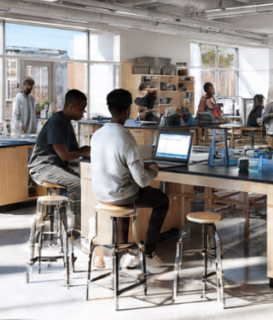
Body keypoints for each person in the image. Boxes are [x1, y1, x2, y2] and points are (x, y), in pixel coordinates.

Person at [90, 89, 170, 272]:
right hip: (121, 195)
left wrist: (141, 164)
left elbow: (117, 164)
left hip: (101, 194)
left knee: (126, 198)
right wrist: (154, 170)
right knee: (162, 201)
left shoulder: (97, 134)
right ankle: (149, 254)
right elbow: (142, 181)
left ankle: (126, 254)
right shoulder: (126, 137)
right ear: (128, 110)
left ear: (110, 108)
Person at [28, 89, 91, 231]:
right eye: (82, 109)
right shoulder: (57, 121)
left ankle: (82, 222)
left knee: (84, 181)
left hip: (54, 167)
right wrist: (85, 150)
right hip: (42, 168)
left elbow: (73, 153)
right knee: (77, 183)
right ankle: (78, 228)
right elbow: (65, 156)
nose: (83, 113)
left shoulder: (67, 123)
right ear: (72, 106)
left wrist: (85, 151)